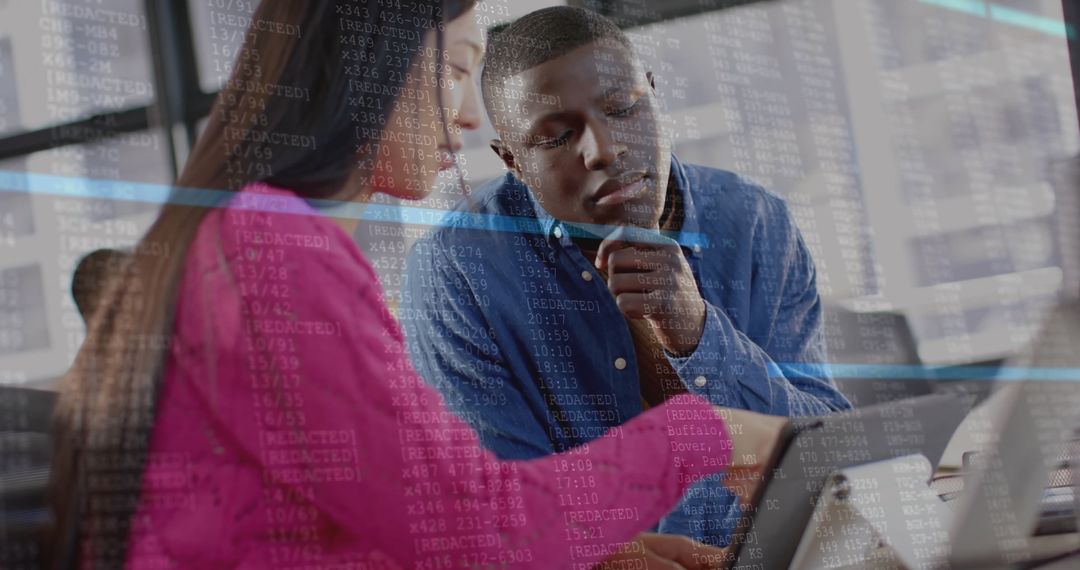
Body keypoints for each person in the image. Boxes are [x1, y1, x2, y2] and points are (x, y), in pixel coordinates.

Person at [47, 2, 784, 568]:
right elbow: (480, 531)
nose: (466, 116)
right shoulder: (271, 251)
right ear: (371, 62)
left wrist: (603, 554)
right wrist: (711, 429)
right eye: (457, 69)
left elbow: (397, 516)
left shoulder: (253, 236)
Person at [402, 6, 851, 547]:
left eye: (621, 108)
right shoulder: (458, 273)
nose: (606, 149)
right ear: (512, 161)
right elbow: (503, 521)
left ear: (654, 96)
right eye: (556, 137)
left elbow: (835, 455)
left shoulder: (754, 221)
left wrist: (697, 332)